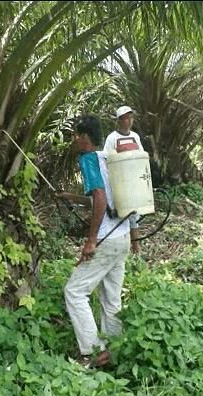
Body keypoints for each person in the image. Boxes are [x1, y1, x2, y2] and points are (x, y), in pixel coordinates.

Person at [57, 115, 139, 368]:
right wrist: (69, 196)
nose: (73, 140)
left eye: (75, 135)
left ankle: (92, 353)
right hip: (122, 235)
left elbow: (101, 199)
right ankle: (114, 349)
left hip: (107, 238)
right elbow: (102, 199)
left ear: (84, 137)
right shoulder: (107, 158)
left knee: (74, 291)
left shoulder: (89, 159)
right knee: (111, 299)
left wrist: (91, 241)